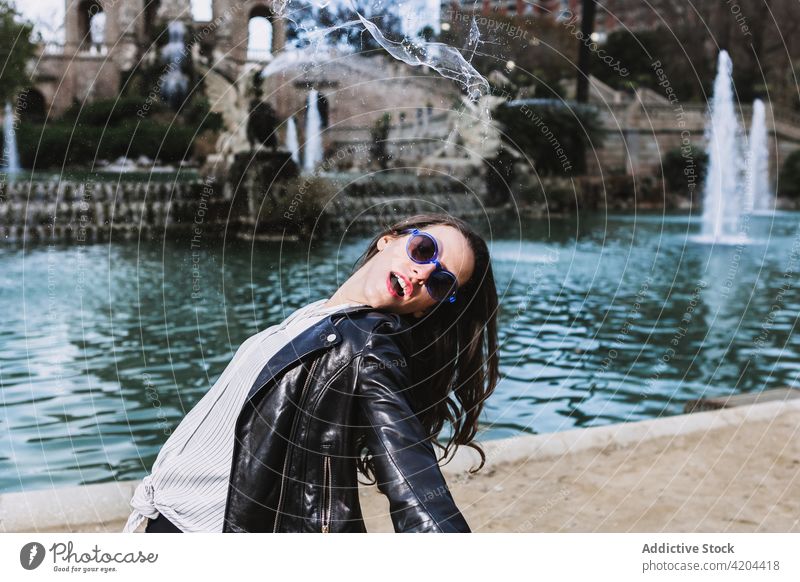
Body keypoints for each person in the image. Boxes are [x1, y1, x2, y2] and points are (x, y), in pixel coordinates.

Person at [122, 213, 499, 533]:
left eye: (440, 282)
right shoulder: (320, 317)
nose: (423, 272)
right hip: (165, 518)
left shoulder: (367, 348)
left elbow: (415, 485)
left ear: (424, 309)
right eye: (424, 250)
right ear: (389, 240)